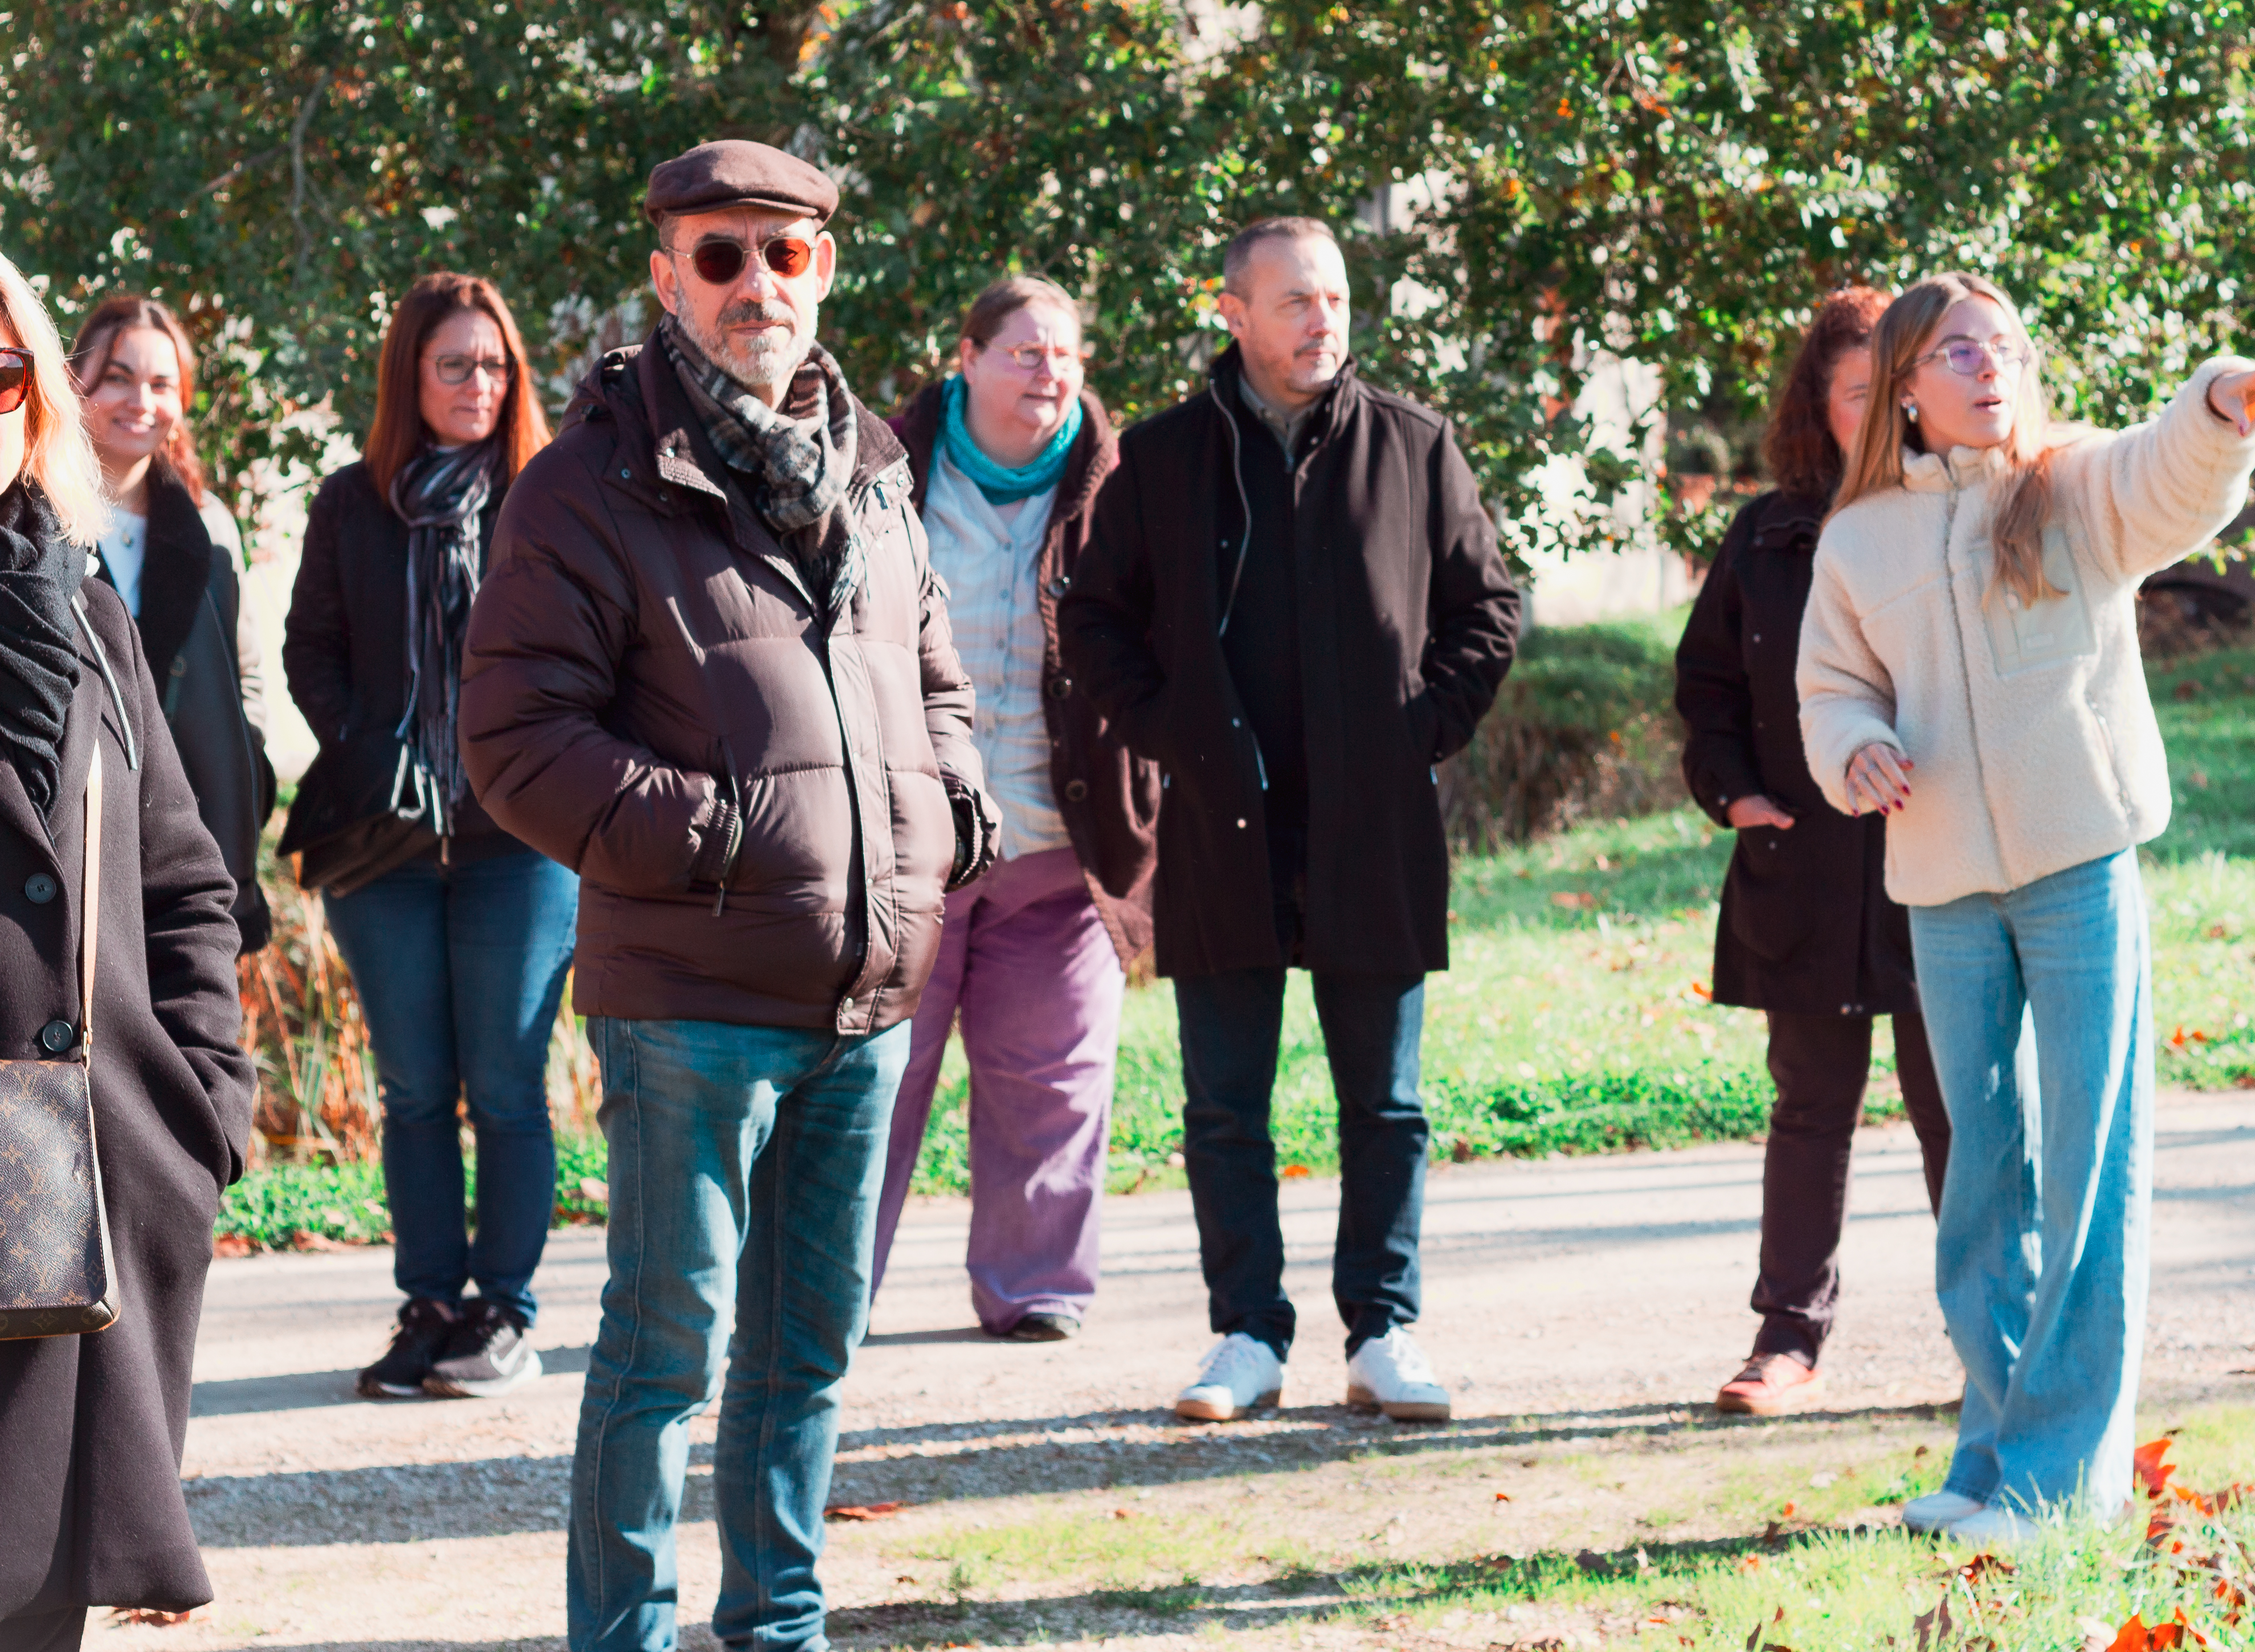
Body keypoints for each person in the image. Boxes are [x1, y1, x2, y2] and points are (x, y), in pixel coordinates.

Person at [458, 140, 992, 1652]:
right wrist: (721, 837)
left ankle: (780, 1630)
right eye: (721, 255)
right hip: (691, 1002)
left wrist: (945, 818)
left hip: (866, 997)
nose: (759, 283)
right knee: (663, 1356)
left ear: (827, 265)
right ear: (666, 273)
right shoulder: (586, 488)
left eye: (788, 253)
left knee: (810, 1353)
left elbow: (934, 681)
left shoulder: (876, 471)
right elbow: (514, 740)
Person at [1796, 273, 2255, 1541]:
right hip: (1944, 893)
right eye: (1958, 352)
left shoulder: (2071, 486)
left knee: (2091, 1168)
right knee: (1984, 1177)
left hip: (2081, 870)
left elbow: (2169, 477)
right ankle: (1990, 1458)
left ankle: (2061, 1484)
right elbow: (1831, 689)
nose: (1989, 367)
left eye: (2007, 347)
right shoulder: (1858, 539)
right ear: (1906, 388)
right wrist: (1853, 746)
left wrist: (2221, 403)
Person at [1060, 215, 1522, 1426]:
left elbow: (1491, 609)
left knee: (1388, 1104)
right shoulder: (1161, 459)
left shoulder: (1416, 448)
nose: (1323, 321)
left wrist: (1419, 730)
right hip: (1223, 834)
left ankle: (1383, 1330)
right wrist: (1168, 731)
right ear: (1235, 312)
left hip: (1376, 832)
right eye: (1296, 301)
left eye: (1335, 299)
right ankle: (1247, 1336)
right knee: (1226, 1107)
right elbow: (1092, 620)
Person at [0, 256, 254, 1652]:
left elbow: (183, 874)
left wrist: (203, 1101)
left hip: (78, 1177)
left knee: (39, 1595)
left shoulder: (79, 595)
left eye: (0, 368)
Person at [279, 273, 578, 1402]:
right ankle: (431, 1306)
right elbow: (312, 646)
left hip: (520, 844)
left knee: (506, 1084)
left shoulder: (550, 498)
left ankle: (504, 1312)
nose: (479, 385)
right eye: (455, 365)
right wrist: (366, 741)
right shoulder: (356, 501)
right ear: (411, 376)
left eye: (495, 365)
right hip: (384, 851)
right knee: (413, 1090)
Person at [1672, 287, 1951, 1418]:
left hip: (1938, 858)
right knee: (1809, 1106)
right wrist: (1735, 796)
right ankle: (1787, 1337)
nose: (1877, 411)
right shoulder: (1768, 532)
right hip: (1801, 864)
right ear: (1820, 406)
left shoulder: (1960, 513)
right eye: (1855, 393)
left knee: (1959, 1107)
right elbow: (1707, 688)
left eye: (1894, 389)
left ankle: (1997, 1341)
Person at [879, 274, 1155, 1338]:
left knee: (1054, 1084)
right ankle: (817, 1295)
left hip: (1057, 845)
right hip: (903, 855)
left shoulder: (1120, 487)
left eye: (1067, 357)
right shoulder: (884, 471)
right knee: (869, 1086)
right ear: (967, 356)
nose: (1051, 374)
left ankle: (1035, 1289)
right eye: (1026, 353)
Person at [67, 297, 277, 955]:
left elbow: (246, 673)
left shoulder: (208, 525)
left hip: (187, 845)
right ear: (75, 385)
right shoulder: (30, 519)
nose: (142, 401)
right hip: (73, 842)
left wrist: (249, 773)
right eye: (119, 377)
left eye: (162, 384)